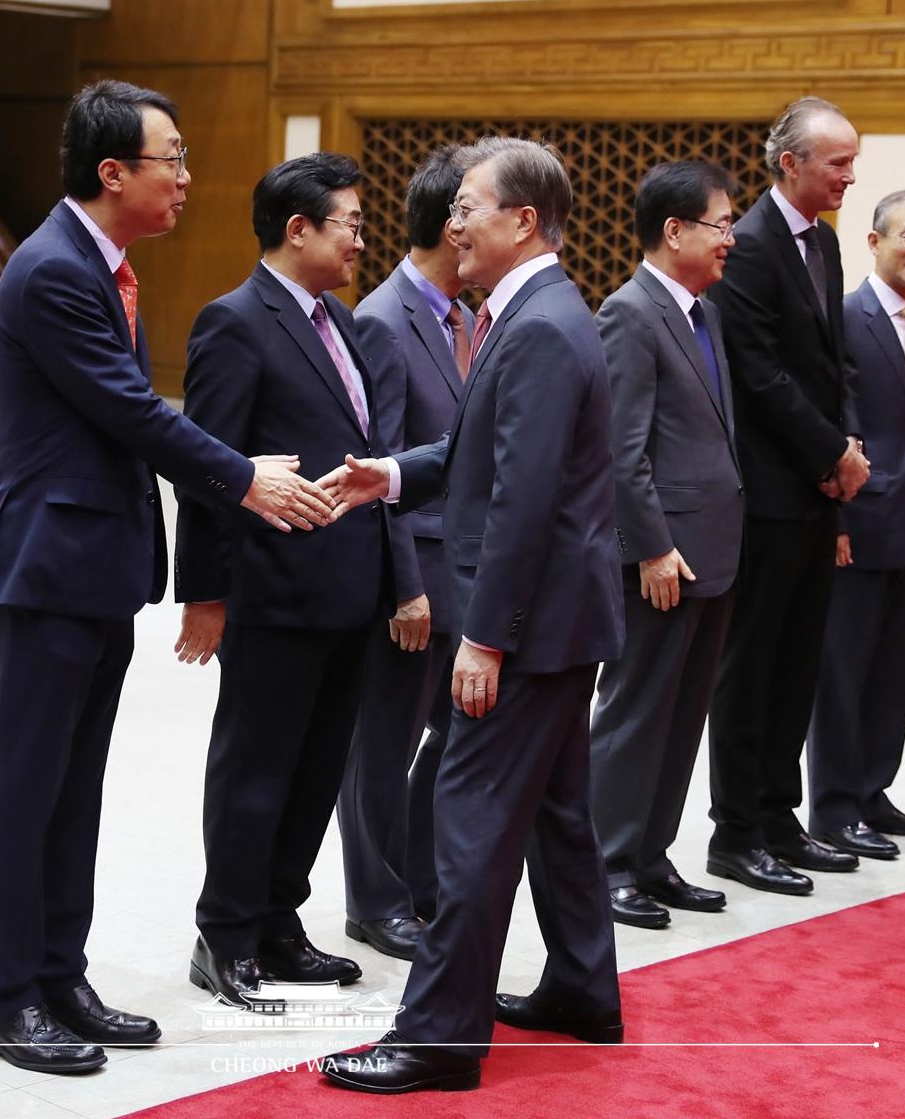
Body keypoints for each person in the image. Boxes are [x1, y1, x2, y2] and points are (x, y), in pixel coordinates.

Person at [0, 81, 335, 1074]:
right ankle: (0, 997)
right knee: (27, 788)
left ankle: (56, 975)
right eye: (169, 158)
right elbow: (131, 409)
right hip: (42, 570)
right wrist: (241, 476)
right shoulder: (52, 271)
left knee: (71, 790)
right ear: (113, 170)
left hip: (88, 569)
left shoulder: (101, 265)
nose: (185, 177)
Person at [316, 137, 625, 1095]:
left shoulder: (535, 324)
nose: (453, 224)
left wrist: (483, 638)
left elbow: (522, 500)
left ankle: (440, 1037)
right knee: (561, 815)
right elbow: (482, 448)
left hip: (528, 629)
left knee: (470, 823)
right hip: (567, 621)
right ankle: (582, 986)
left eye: (469, 208)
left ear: (522, 221)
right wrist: (395, 474)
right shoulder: (538, 310)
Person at [175, 152, 392, 1005]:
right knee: (256, 769)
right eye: (349, 225)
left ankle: (278, 920)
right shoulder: (234, 320)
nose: (360, 242)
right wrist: (206, 593)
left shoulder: (336, 320)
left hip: (345, 586)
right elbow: (205, 466)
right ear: (296, 228)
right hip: (273, 593)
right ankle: (224, 934)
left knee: (314, 771)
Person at [704, 97, 870, 897]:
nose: (848, 175)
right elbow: (758, 371)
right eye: (836, 162)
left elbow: (830, 363)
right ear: (790, 164)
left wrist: (845, 454)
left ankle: (779, 814)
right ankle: (735, 830)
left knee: (799, 662)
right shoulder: (751, 243)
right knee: (752, 665)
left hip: (815, 487)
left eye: (852, 161)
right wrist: (829, 451)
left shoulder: (826, 244)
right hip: (767, 491)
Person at [587, 161, 743, 929]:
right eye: (721, 223)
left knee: (683, 715)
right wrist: (649, 545)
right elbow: (621, 449)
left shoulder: (701, 313)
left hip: (711, 550)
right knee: (636, 711)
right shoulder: (629, 313)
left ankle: (650, 855)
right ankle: (607, 864)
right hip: (662, 557)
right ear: (673, 229)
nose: (731, 239)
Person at [336, 146, 471, 958]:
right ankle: (373, 897)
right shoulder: (385, 319)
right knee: (384, 744)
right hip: (416, 573)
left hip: (470, 568)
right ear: (455, 225)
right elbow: (377, 464)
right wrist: (403, 587)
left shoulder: (475, 315)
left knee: (453, 739)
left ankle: (421, 883)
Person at [806, 191, 905, 861]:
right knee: (842, 667)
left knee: (893, 666)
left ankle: (872, 789)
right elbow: (836, 424)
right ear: (874, 241)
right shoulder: (849, 318)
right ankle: (833, 807)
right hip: (858, 520)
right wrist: (834, 516)